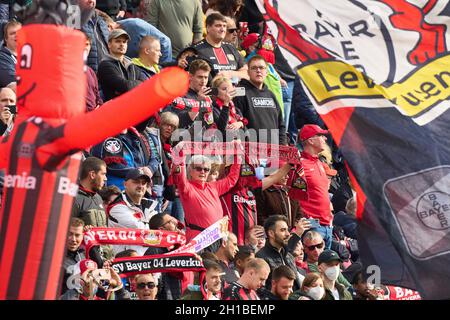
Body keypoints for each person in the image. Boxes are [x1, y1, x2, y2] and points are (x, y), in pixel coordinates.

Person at [169, 147, 241, 241]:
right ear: (190, 171)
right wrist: (181, 157)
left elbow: (232, 179)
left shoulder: (214, 187)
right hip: (198, 238)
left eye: (206, 169)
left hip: (218, 237)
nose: (203, 172)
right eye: (198, 168)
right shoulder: (186, 187)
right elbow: (180, 176)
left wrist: (238, 156)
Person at [233, 55, 287, 145]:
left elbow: (281, 124)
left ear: (266, 72)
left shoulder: (271, 94)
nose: (258, 71)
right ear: (248, 72)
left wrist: (282, 146)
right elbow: (237, 122)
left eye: (261, 68)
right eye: (254, 68)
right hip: (251, 150)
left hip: (273, 151)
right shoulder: (239, 92)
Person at [298, 124, 334, 248]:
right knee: (313, 266)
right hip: (313, 227)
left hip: (327, 226)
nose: (325, 139)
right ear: (311, 140)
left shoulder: (319, 162)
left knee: (327, 266)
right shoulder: (300, 164)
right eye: (320, 135)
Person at [107, 168, 158, 255]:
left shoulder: (149, 206)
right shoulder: (117, 208)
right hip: (126, 261)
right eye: (136, 182)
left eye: (143, 183)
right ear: (125, 184)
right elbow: (143, 230)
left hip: (148, 259)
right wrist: (162, 230)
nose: (140, 186)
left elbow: (160, 226)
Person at [166, 59, 215, 141]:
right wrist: (199, 102)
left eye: (206, 77)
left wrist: (208, 108)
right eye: (200, 77)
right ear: (190, 76)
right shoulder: (180, 94)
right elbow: (179, 122)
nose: (203, 81)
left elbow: (209, 124)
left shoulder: (206, 97)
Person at [192, 12, 248, 80]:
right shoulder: (197, 50)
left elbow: (247, 73)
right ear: (208, 28)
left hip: (236, 90)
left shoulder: (231, 48)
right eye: (218, 26)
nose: (222, 29)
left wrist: (230, 74)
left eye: (224, 26)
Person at [144, 212, 185, 300]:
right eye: (171, 222)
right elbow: (153, 283)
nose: (176, 224)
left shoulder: (172, 249)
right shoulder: (153, 251)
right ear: (162, 229)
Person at [97, 28, 146, 101]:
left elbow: (146, 84)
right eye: (118, 41)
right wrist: (138, 84)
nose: (122, 44)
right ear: (109, 44)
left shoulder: (132, 64)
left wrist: (129, 86)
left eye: (124, 42)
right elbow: (125, 86)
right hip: (115, 109)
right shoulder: (105, 65)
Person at [255, 215, 301, 291]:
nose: (288, 234)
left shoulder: (289, 256)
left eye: (287, 230)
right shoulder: (261, 257)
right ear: (271, 233)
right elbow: (260, 289)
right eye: (283, 230)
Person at [71, 157, 108, 228]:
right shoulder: (73, 198)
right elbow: (65, 229)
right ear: (92, 174)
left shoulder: (98, 198)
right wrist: (82, 231)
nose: (105, 178)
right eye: (103, 174)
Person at [79, 0, 110, 72]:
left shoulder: (101, 21)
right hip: (86, 74)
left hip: (106, 74)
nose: (91, 0)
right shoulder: (72, 20)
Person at [61, 218, 87, 295]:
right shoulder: (55, 256)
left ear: (82, 236)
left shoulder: (83, 254)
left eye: (77, 235)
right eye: (70, 234)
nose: (73, 239)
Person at [84, 34, 103, 112]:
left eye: (87, 44)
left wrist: (100, 105)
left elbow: (97, 95)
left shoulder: (91, 72)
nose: (85, 47)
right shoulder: (68, 70)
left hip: (94, 117)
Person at [0, 20, 20, 88]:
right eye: (12, 33)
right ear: (6, 38)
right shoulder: (2, 58)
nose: (17, 35)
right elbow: (13, 81)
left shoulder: (28, 55)